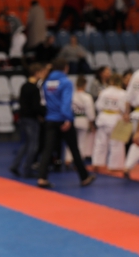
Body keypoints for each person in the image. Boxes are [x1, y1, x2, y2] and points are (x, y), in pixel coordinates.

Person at [37, 58, 95, 188]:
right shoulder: (65, 82)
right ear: (66, 68)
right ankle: (84, 177)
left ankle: (42, 178)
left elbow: (44, 102)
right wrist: (68, 119)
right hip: (63, 119)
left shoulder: (47, 82)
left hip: (50, 118)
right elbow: (66, 103)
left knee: (48, 149)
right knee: (74, 149)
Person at [11, 63, 47, 178]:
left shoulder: (24, 86)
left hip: (23, 118)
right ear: (37, 73)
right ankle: (27, 169)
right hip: (31, 119)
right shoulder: (34, 88)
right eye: (41, 72)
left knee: (26, 143)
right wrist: (43, 113)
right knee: (33, 145)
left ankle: (15, 165)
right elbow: (36, 106)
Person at [92, 74, 127, 172]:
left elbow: (98, 105)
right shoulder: (123, 93)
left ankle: (97, 163)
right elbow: (124, 108)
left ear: (111, 81)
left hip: (103, 118)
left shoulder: (104, 92)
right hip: (115, 119)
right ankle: (114, 166)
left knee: (100, 142)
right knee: (116, 143)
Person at [66, 76, 96, 163]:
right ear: (85, 85)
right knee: (82, 142)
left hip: (72, 119)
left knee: (70, 141)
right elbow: (90, 112)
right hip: (83, 120)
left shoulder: (71, 95)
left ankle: (68, 159)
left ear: (76, 84)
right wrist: (91, 123)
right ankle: (79, 161)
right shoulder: (87, 97)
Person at [124, 68, 139, 180]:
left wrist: (126, 113)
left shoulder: (137, 74)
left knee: (137, 143)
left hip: (135, 113)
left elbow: (128, 96)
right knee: (138, 140)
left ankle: (127, 166)